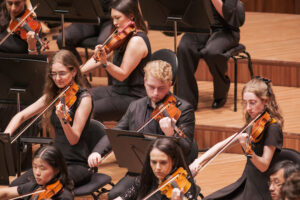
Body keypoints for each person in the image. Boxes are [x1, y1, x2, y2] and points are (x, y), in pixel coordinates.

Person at [88, 60, 198, 199]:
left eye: (162, 88)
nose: (156, 93)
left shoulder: (183, 110)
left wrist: (171, 134)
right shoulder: (135, 106)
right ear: (144, 82)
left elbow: (187, 147)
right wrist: (97, 152)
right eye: (151, 87)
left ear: (170, 84)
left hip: (168, 174)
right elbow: (116, 132)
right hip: (139, 172)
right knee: (115, 195)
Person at [4, 49, 93, 187]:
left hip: (76, 162)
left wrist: (63, 119)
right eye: (54, 74)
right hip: (53, 160)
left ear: (73, 72)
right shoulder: (53, 95)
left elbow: (73, 139)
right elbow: (21, 116)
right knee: (16, 185)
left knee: (45, 187)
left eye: (62, 73)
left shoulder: (84, 99)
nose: (57, 78)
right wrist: (5, 137)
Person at [189, 76, 284, 199]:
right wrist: (199, 161)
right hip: (247, 180)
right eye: (246, 103)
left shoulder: (273, 128)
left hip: (261, 187)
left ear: (265, 101)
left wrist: (246, 147)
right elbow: (224, 144)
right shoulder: (255, 122)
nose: (248, 107)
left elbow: (263, 166)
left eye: (252, 102)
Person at [81, 0, 151, 122]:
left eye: (117, 18)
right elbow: (98, 58)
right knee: (81, 98)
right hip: (117, 90)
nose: (114, 22)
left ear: (131, 16)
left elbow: (122, 74)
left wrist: (106, 63)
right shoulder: (121, 36)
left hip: (133, 96)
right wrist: (79, 71)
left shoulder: (137, 41)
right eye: (112, 18)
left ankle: (96, 139)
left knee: (88, 110)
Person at [175, 0, 245, 110]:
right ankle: (187, 101)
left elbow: (230, 18)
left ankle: (221, 91)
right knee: (183, 48)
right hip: (201, 29)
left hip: (226, 30)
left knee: (212, 52)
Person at [113, 137, 199, 200]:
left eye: (163, 162)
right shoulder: (144, 180)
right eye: (154, 162)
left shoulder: (185, 188)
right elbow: (124, 197)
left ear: (173, 161)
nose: (157, 168)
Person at [0, 145, 74, 200]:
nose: (37, 173)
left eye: (43, 168)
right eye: (35, 167)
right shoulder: (35, 187)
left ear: (57, 170)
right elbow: (6, 193)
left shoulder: (65, 196)